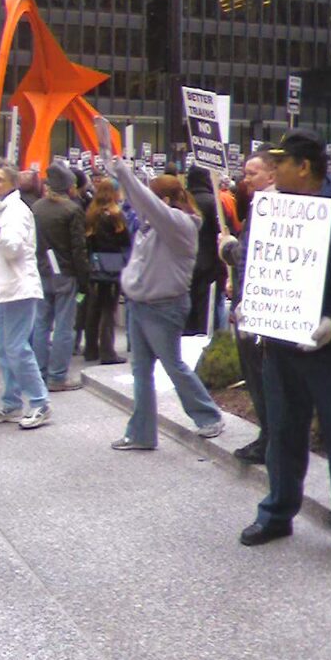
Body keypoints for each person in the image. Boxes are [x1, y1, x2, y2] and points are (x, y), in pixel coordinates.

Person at [239, 130, 331, 565]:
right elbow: (257, 261)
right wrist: (253, 303)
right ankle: (278, 512)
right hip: (283, 348)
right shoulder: (273, 208)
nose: (272, 169)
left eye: (280, 163)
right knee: (283, 433)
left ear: (303, 167)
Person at [104, 157, 225, 449]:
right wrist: (120, 174)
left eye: (154, 199)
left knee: (173, 365)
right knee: (141, 371)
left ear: (167, 200)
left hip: (163, 307)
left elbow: (148, 203)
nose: (144, 208)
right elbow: (141, 199)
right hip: (140, 303)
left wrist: (123, 172)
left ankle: (209, 416)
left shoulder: (180, 224)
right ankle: (142, 433)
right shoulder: (156, 224)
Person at [0, 160, 51, 429]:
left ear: (13, 183)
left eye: (0, 179)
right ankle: (11, 403)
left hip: (17, 287)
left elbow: (12, 249)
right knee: (6, 350)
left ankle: (40, 402)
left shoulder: (18, 211)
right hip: (0, 287)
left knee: (17, 348)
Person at [218, 149, 277, 464]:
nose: (246, 178)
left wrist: (230, 250)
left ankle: (269, 440)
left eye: (252, 172)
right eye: (245, 172)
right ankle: (267, 437)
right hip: (248, 300)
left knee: (259, 376)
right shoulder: (258, 204)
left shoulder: (270, 206)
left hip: (258, 310)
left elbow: (256, 254)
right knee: (255, 376)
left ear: (271, 174)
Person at [32, 162, 90, 392]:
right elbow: (79, 249)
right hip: (66, 273)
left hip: (41, 270)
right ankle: (57, 375)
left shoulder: (36, 207)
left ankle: (39, 372)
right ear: (68, 187)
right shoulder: (72, 210)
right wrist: (84, 280)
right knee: (65, 326)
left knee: (41, 324)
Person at [84, 179, 130, 364]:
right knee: (108, 310)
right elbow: (125, 241)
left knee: (93, 308)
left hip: (94, 265)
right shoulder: (116, 215)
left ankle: (90, 349)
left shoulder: (91, 214)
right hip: (112, 266)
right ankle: (107, 352)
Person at [184, 165, 225, 336]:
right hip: (208, 262)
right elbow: (222, 230)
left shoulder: (185, 201)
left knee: (188, 308)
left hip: (186, 262)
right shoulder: (212, 202)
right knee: (206, 308)